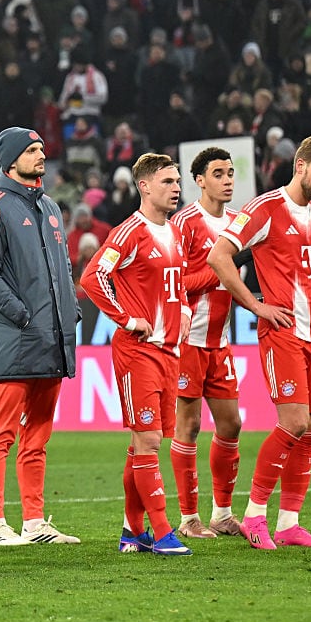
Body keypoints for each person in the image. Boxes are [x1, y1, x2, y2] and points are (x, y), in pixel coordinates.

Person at [208, 135, 311, 550]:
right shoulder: (265, 208)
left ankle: (290, 523)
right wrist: (256, 307)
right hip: (284, 333)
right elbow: (219, 256)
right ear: (299, 166)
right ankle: (256, 516)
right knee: (293, 421)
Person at [80, 153, 193, 556]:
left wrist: (187, 310)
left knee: (145, 444)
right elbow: (93, 277)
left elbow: (176, 285)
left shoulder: (176, 232)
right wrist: (127, 319)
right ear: (144, 186)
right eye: (167, 181)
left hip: (169, 352)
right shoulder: (129, 232)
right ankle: (162, 533)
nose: (176, 187)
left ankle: (132, 530)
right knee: (146, 440)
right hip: (138, 351)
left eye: (178, 181)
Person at [0, 127, 80, 547]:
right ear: (11, 160)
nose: (41, 155)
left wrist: (66, 313)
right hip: (16, 339)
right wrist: (21, 314)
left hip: (50, 338)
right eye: (31, 150)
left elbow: (62, 269)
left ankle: (34, 522)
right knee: (0, 435)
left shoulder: (50, 206)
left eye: (41, 148)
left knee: (37, 436)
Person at [168, 148, 244, 540]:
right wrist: (219, 273)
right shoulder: (183, 223)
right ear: (200, 180)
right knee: (190, 424)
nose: (227, 179)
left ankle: (223, 513)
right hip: (188, 342)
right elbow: (175, 282)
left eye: (230, 172)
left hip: (221, 342)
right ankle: (187, 518)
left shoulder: (237, 222)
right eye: (218, 173)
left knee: (231, 423)